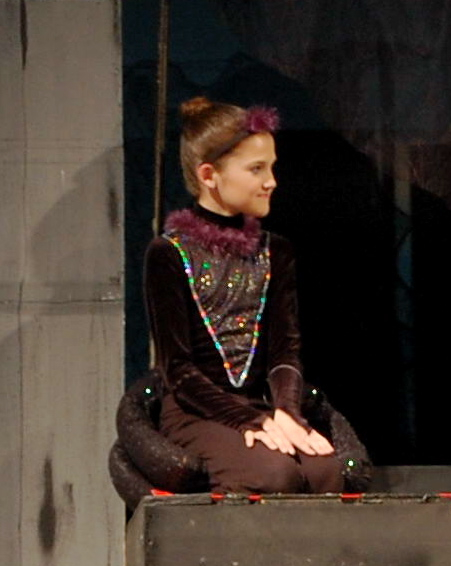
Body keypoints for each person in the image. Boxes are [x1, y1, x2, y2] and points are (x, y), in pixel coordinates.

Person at [143, 97, 342, 494]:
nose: (272, 181)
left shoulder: (275, 251)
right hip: (196, 412)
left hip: (259, 405)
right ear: (209, 175)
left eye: (271, 167)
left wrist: (286, 413)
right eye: (256, 169)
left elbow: (285, 352)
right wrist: (249, 421)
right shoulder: (169, 254)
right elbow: (178, 370)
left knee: (325, 472)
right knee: (274, 476)